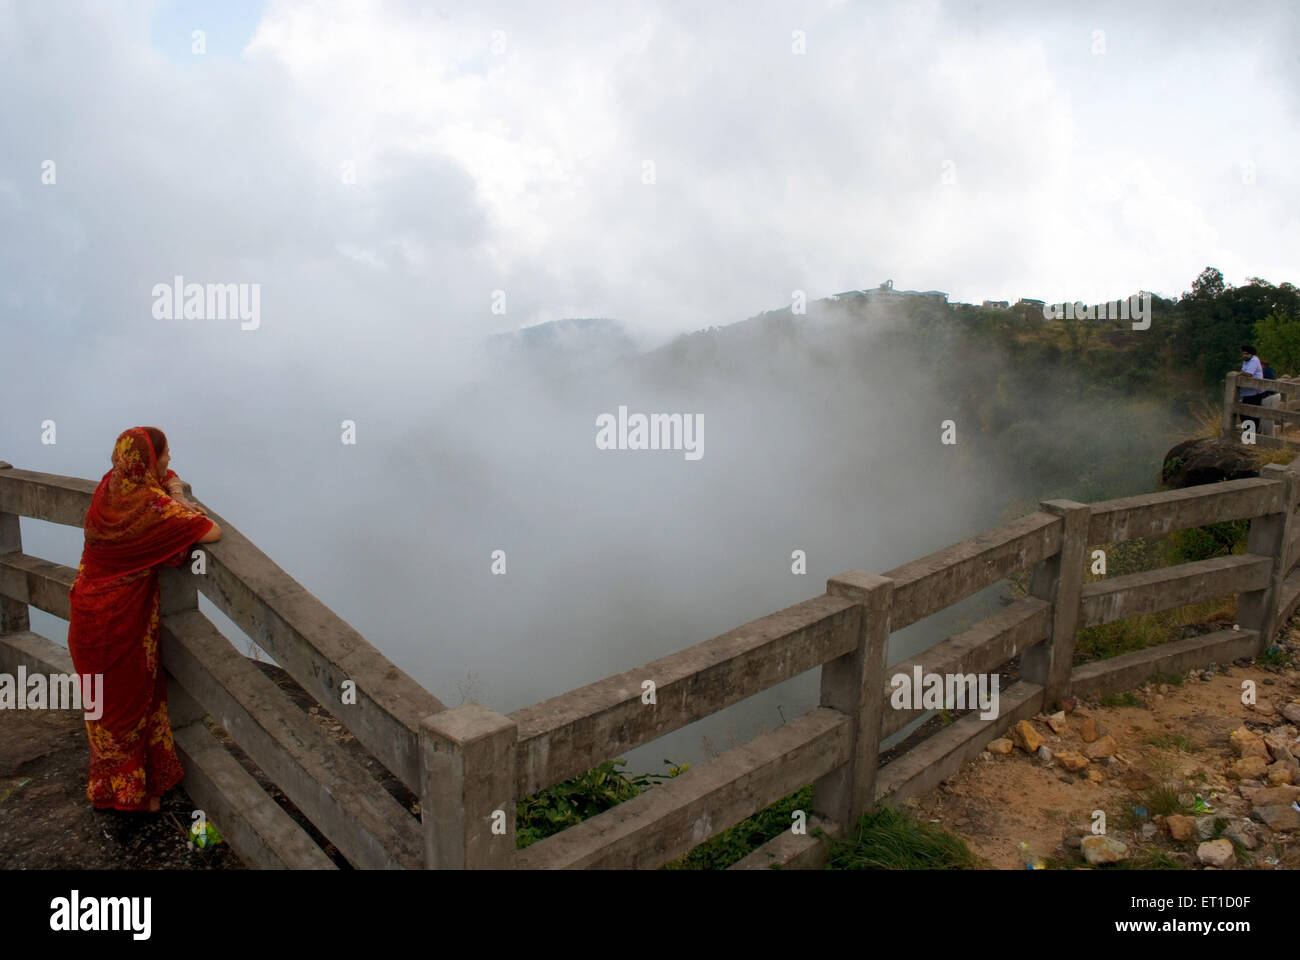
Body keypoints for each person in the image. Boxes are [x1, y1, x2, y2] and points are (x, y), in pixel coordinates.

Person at [66, 427, 222, 812]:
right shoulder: (152, 509)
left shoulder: (111, 488)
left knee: (104, 714)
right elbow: (210, 531)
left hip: (86, 616)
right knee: (129, 709)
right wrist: (179, 495)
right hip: (120, 626)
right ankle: (132, 798)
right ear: (150, 461)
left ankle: (113, 789)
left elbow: (162, 485)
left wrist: (167, 483)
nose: (170, 461)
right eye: (165, 455)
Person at [1238, 345, 1265, 433]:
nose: (1244, 356)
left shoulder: (1254, 360)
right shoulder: (1246, 361)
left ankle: (1251, 436)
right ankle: (1249, 435)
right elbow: (1243, 373)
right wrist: (1241, 373)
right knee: (1243, 414)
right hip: (1247, 393)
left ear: (1251, 354)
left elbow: (1248, 374)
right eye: (1243, 354)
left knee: (1251, 415)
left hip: (1254, 392)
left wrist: (1241, 373)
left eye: (1246, 354)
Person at [1259, 358, 1279, 437]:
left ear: (1262, 365)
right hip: (1274, 395)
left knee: (1267, 419)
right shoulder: (1270, 370)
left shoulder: (1265, 371)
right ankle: (1267, 436)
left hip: (1270, 396)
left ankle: (1268, 438)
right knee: (1269, 418)